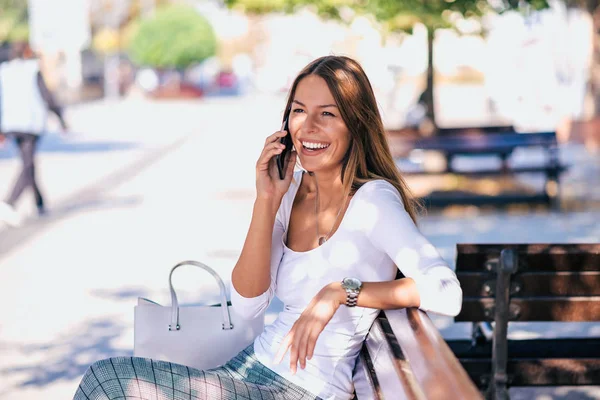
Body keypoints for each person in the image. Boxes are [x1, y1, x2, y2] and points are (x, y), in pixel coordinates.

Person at [73, 55, 462, 400]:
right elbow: (247, 306)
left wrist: (342, 291)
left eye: (327, 114)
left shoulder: (373, 201)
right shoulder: (290, 191)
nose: (307, 127)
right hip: (253, 368)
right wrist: (266, 200)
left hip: (303, 389)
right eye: (298, 111)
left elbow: (447, 293)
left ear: (355, 124)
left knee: (109, 381)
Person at [0, 42, 68, 227]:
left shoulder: (4, 71)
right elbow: (47, 95)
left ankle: (40, 203)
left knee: (28, 162)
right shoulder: (32, 70)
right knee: (27, 164)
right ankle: (8, 202)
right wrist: (61, 118)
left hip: (11, 123)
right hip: (29, 123)